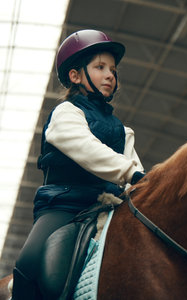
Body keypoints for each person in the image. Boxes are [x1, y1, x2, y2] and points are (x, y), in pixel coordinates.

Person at [12, 29, 145, 299]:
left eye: (113, 69)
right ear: (75, 75)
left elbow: (137, 176)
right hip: (64, 207)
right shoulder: (65, 114)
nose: (110, 74)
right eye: (100, 67)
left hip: (109, 209)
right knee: (28, 263)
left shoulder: (124, 131)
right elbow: (89, 150)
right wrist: (132, 173)